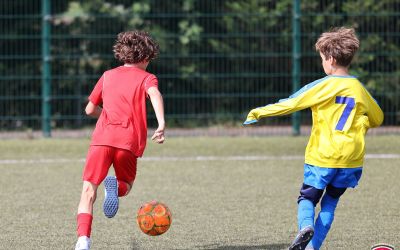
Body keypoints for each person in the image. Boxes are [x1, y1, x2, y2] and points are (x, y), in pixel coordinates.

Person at [243, 27, 383, 250]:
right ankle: (312, 247)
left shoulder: (322, 85)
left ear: (331, 58)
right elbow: (377, 116)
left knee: (307, 199)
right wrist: (364, 122)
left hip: (323, 156)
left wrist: (258, 112)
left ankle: (306, 226)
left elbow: (292, 103)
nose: (322, 64)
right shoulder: (359, 89)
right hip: (351, 159)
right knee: (330, 203)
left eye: (322, 59)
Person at [74, 30, 165, 250]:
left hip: (102, 139)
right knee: (127, 184)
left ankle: (83, 241)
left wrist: (106, 113)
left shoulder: (107, 75)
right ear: (146, 57)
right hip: (127, 141)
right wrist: (161, 124)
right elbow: (154, 94)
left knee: (88, 190)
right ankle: (115, 188)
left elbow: (89, 109)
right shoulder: (147, 78)